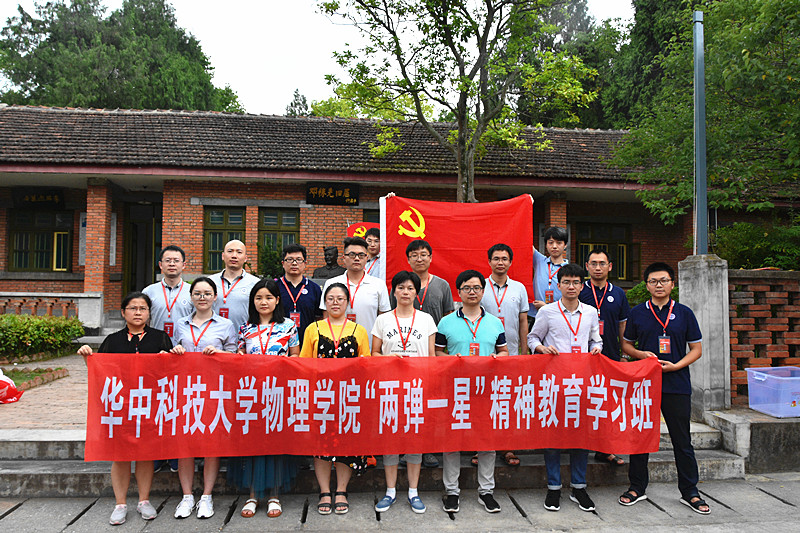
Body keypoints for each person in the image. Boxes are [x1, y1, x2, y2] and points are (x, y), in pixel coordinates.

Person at [619, 262, 709, 515]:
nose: (659, 285)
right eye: (653, 281)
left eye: (663, 280)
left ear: (672, 284)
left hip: (676, 383)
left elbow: (697, 349)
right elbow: (626, 345)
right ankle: (637, 487)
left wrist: (676, 365)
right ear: (646, 285)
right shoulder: (638, 313)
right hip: (645, 383)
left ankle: (690, 491)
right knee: (641, 438)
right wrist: (641, 355)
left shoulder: (684, 313)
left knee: (682, 440)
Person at [77, 292, 172, 525]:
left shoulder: (160, 338)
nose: (138, 312)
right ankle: (120, 503)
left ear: (149, 313)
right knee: (120, 455)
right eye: (133, 308)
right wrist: (87, 358)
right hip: (120, 405)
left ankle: (144, 500)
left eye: (143, 308)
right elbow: (101, 372)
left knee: (145, 454)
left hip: (150, 405)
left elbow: (171, 373)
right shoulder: (113, 340)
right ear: (123, 312)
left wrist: (171, 357)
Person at [527, 262, 601, 513]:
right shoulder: (547, 312)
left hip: (581, 383)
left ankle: (579, 486)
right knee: (553, 435)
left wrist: (596, 348)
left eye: (576, 282)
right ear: (558, 285)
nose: (571, 286)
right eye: (566, 282)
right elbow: (532, 338)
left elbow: (596, 339)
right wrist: (541, 348)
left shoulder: (590, 312)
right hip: (555, 383)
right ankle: (554, 487)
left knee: (581, 434)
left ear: (582, 286)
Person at [435, 270, 508, 514]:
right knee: (452, 441)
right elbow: (437, 352)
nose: (472, 292)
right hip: (455, 389)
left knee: (487, 441)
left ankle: (486, 491)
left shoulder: (495, 322)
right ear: (459, 292)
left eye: (476, 287)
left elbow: (504, 351)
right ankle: (451, 491)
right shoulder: (446, 322)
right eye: (466, 288)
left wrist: (497, 359)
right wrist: (451, 360)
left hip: (486, 390)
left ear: (483, 291)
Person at [228, 279, 300, 519]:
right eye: (259, 298)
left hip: (279, 393)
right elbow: (239, 355)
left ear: (277, 300)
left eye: (269, 297)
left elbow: (296, 357)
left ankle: (274, 496)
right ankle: (252, 495)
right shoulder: (245, 328)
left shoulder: (289, 326)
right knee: (252, 444)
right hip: (251, 394)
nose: (264, 302)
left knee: (276, 443)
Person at [170, 277, 237, 519]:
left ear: (215, 297)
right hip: (186, 390)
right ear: (191, 297)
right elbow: (172, 353)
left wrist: (219, 353)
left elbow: (234, 357)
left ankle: (207, 496)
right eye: (197, 293)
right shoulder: (180, 324)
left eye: (207, 293)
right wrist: (176, 351)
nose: (202, 297)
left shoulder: (226, 324)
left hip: (214, 389)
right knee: (185, 444)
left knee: (211, 443)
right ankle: (187, 496)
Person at [301, 283, 371, 515]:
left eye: (340, 298)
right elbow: (305, 363)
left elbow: (366, 363)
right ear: (324, 302)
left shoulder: (358, 330)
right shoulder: (313, 328)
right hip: (320, 396)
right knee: (321, 445)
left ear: (347, 302)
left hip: (349, 396)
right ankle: (324, 491)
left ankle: (341, 490)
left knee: (346, 445)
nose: (335, 302)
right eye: (330, 298)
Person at [371, 271, 437, 515]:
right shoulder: (383, 320)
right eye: (401, 287)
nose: (405, 292)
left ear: (416, 292)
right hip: (389, 388)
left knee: (414, 441)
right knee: (390, 440)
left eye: (410, 288)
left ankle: (413, 491)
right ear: (394, 291)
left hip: (417, 388)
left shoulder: (426, 319)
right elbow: (374, 353)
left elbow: (432, 356)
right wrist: (388, 358)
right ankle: (390, 491)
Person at [395, 239, 454, 468]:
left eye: (423, 255)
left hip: (430, 354)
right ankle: (403, 449)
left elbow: (448, 318)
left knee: (428, 405)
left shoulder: (442, 285)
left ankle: (427, 449)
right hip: (402, 355)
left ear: (430, 257)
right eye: (414, 255)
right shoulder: (401, 285)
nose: (419, 259)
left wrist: (442, 352)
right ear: (408, 259)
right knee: (403, 404)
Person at [142, 245, 192, 474]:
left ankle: (175, 455)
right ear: (160, 265)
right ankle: (156, 453)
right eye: (168, 260)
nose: (172, 264)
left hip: (182, 354)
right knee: (156, 405)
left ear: (184, 265)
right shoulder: (149, 291)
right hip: (155, 353)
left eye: (176, 260)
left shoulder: (191, 291)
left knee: (179, 406)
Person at [578, 247, 630, 467]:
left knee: (607, 403)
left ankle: (604, 449)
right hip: (582, 358)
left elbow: (623, 325)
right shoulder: (579, 290)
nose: (597, 268)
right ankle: (577, 446)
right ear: (587, 267)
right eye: (593, 263)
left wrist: (624, 353)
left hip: (610, 356)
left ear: (610, 267)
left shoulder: (618, 294)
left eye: (602, 263)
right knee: (581, 402)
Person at [480, 243, 530, 467]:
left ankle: (508, 446)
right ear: (489, 261)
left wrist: (524, 351)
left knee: (508, 400)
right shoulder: (480, 286)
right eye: (496, 258)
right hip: (485, 355)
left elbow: (523, 321)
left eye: (504, 259)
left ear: (510, 262)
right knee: (484, 401)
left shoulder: (519, 288)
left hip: (511, 354)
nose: (500, 262)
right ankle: (482, 447)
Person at [320, 237, 391, 350]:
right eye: (352, 255)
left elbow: (383, 320)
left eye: (361, 255)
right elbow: (326, 316)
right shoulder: (331, 283)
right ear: (344, 258)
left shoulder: (378, 285)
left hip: (368, 347)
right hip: (337, 348)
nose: (357, 258)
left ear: (366, 258)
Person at [275, 243, 322, 348]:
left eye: (299, 260)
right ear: (283, 263)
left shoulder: (314, 288)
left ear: (305, 263)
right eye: (290, 260)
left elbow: (319, 318)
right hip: (279, 343)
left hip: (308, 342)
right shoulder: (275, 287)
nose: (294, 263)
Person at [208, 239, 260, 333]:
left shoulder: (255, 283)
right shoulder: (210, 282)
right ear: (223, 256)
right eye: (230, 251)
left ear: (245, 258)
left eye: (239, 252)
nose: (234, 256)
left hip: (243, 337)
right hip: (213, 336)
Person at [528, 226, 569, 329]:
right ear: (546, 245)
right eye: (550, 243)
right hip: (537, 316)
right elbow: (526, 242)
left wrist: (546, 307)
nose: (554, 246)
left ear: (565, 245)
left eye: (559, 243)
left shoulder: (569, 269)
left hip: (560, 318)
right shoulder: (539, 261)